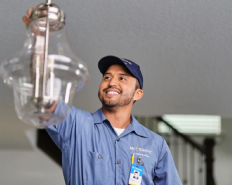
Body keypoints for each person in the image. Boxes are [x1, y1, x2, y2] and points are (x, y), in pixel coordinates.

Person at [23, 8, 182, 185]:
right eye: (107, 77)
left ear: (138, 94)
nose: (111, 82)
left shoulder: (155, 144)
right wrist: (38, 41)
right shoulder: (76, 125)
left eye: (122, 78)